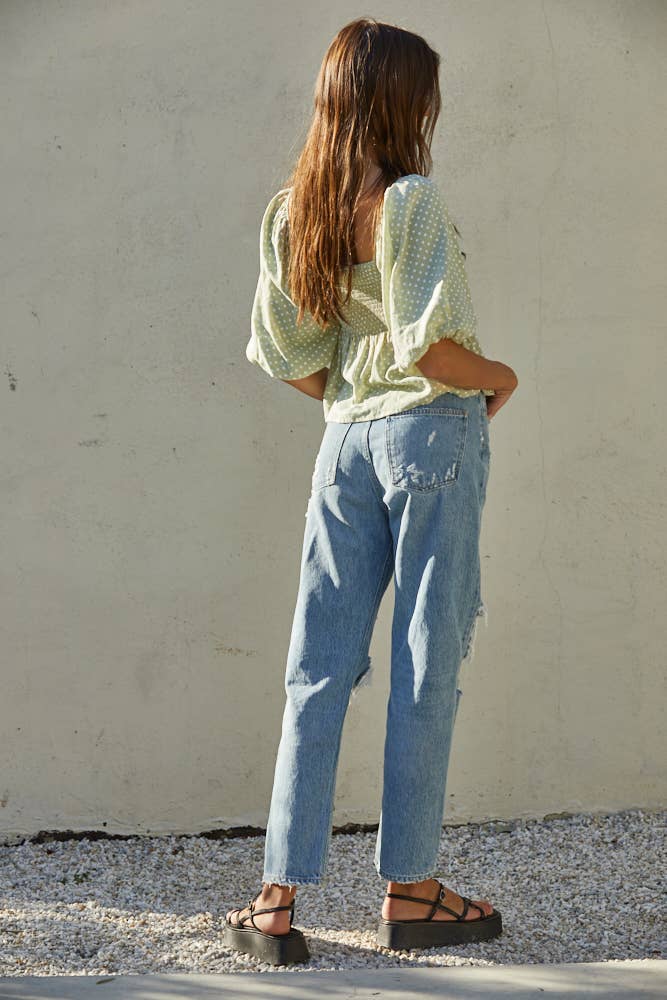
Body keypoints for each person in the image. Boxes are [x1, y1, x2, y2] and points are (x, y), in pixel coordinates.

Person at [224, 16, 518, 966]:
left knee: (316, 668)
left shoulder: (292, 210)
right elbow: (430, 349)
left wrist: (355, 397)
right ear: (400, 100)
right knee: (424, 666)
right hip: (430, 433)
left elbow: (289, 359)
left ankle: (274, 903)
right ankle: (411, 891)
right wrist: (500, 378)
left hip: (343, 441)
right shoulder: (410, 200)